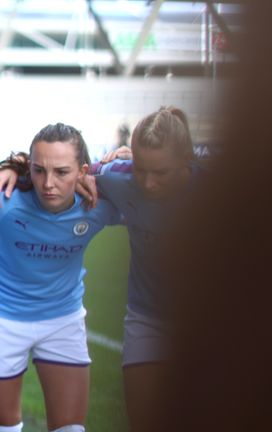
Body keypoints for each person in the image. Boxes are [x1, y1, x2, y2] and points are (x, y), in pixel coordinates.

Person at [0, 123, 121, 432]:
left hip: (62, 317)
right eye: (39, 170)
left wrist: (128, 159)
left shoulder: (99, 204)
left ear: (83, 171)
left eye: (62, 172)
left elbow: (158, 195)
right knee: (4, 429)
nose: (48, 183)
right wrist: (7, 167)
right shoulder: (4, 198)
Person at [90, 106, 200, 432]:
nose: (148, 183)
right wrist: (15, 170)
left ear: (186, 161)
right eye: (141, 169)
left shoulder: (217, 192)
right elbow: (61, 168)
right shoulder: (117, 176)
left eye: (161, 173)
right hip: (146, 318)